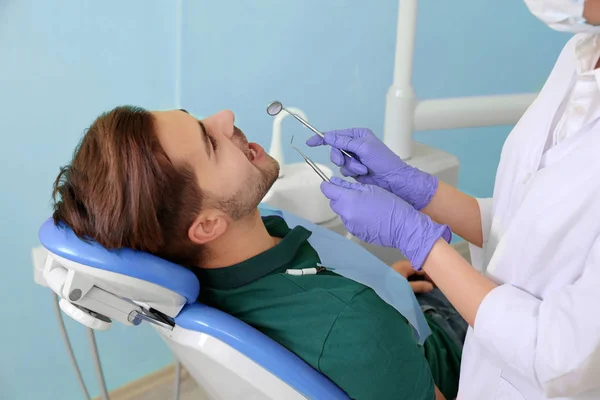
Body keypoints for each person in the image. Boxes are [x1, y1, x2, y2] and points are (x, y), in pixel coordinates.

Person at [51, 106, 467, 400]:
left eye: (200, 120)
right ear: (208, 225)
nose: (226, 117)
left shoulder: (222, 269)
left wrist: (383, 288)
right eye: (209, 142)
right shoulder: (353, 325)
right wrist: (417, 256)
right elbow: (355, 334)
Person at [306, 1, 600, 399]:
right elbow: (532, 228)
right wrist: (413, 186)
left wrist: (420, 241)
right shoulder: (582, 53)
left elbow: (564, 358)